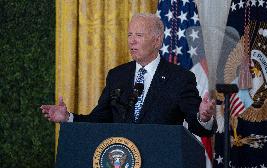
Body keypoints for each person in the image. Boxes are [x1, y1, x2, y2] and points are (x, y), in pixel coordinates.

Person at [41, 13, 215, 136]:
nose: (132, 41)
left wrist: (203, 116)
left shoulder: (180, 78)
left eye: (139, 35)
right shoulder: (117, 75)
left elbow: (197, 126)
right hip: (121, 164)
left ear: (157, 40)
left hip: (160, 165)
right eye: (130, 35)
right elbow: (99, 119)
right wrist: (68, 118)